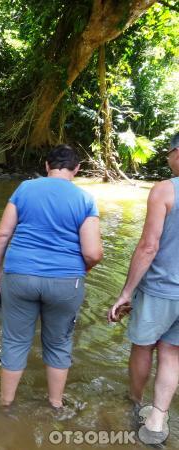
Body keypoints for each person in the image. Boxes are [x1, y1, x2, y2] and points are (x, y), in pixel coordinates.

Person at [0, 144, 103, 408]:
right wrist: (79, 272)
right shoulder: (85, 199)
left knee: (15, 341)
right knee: (58, 344)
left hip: (20, 276)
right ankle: (55, 405)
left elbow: (3, 234)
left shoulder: (25, 189)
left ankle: (5, 404)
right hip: (66, 281)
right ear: (77, 169)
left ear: (46, 166)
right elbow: (93, 253)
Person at [108, 132, 179, 442]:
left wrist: (126, 293)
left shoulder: (165, 189)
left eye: (168, 152)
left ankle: (135, 404)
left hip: (160, 290)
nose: (166, 158)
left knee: (143, 347)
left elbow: (148, 246)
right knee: (172, 354)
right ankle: (156, 421)